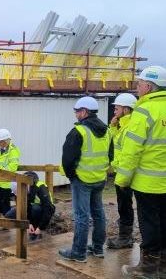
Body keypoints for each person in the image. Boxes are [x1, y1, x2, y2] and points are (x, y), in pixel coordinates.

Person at [116, 66, 166, 279]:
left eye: (139, 84)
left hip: (147, 183)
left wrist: (122, 180)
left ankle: (147, 269)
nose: (137, 87)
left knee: (150, 224)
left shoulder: (144, 112)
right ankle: (163, 266)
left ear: (148, 87)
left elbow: (131, 152)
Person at [58, 96, 113, 263]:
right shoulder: (107, 131)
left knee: (82, 216)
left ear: (85, 112)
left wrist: (72, 176)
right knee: (98, 214)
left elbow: (67, 159)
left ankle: (79, 253)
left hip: (82, 180)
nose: (75, 114)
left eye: (77, 111)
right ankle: (98, 248)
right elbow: (110, 155)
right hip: (99, 179)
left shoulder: (79, 131)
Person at [107, 93, 138, 250]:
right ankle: (125, 236)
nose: (114, 111)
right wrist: (113, 127)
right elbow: (118, 143)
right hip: (123, 172)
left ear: (126, 109)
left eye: (117, 108)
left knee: (125, 207)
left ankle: (125, 238)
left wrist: (123, 177)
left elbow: (129, 153)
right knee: (123, 205)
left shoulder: (131, 126)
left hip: (127, 175)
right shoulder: (124, 125)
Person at [5, 171, 55, 241]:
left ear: (26, 186)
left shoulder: (40, 187)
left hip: (43, 209)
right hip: (32, 209)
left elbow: (49, 208)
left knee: (35, 208)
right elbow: (25, 207)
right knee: (9, 215)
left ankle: (36, 229)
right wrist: (29, 223)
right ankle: (28, 228)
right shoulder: (21, 187)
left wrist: (40, 227)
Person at [0, 128, 20, 217]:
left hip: (6, 183)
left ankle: (7, 222)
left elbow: (13, 167)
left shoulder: (13, 151)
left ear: (6, 141)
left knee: (5, 206)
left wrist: (0, 171)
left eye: (1, 141)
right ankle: (7, 219)